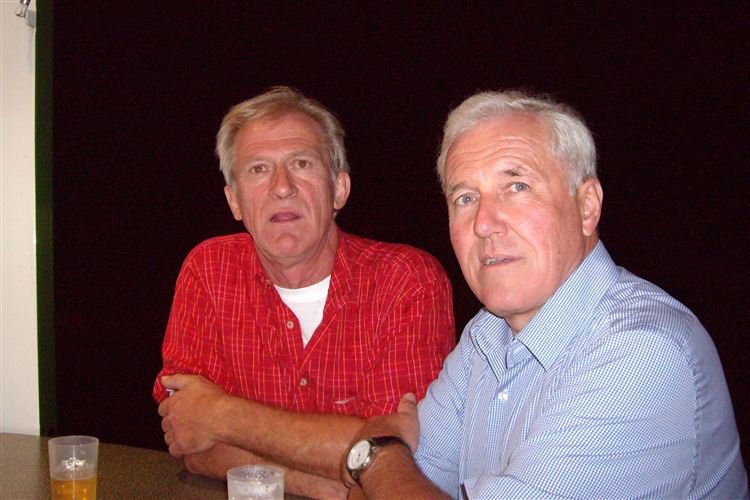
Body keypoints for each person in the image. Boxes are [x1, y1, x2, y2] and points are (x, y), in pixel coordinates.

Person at [341, 90, 748, 499]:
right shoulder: (485, 336)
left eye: (517, 186)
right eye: (465, 198)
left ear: (587, 207)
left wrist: (378, 453)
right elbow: (392, 488)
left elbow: (389, 478)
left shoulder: (642, 351)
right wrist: (388, 468)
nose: (484, 223)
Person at [154, 86, 456, 499]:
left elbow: (401, 457)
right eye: (258, 169)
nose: (282, 187)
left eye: (301, 163)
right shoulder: (208, 271)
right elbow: (188, 439)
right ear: (234, 200)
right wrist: (326, 484)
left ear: (339, 189)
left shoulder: (406, 280)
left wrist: (221, 414)